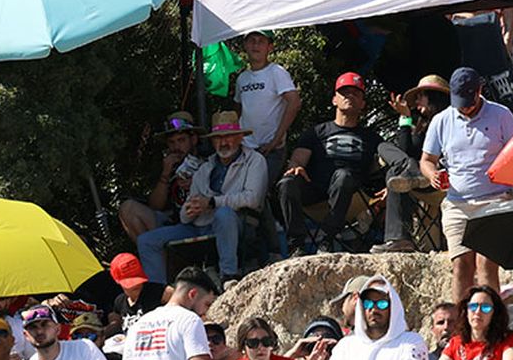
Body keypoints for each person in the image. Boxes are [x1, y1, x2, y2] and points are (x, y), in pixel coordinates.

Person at [421, 67, 513, 304]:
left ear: (479, 91)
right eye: (460, 103)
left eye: (468, 101)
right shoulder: (441, 120)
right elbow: (426, 160)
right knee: (461, 265)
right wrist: (433, 175)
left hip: (495, 199)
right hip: (457, 204)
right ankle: (459, 321)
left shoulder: (501, 115)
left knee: (486, 262)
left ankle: (491, 317)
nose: (464, 108)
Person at [137, 112, 267, 284]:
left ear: (239, 137)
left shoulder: (254, 160)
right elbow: (184, 216)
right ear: (212, 141)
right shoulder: (206, 167)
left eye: (228, 137)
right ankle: (158, 292)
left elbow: (253, 198)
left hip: (238, 223)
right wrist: (190, 210)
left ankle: (229, 276)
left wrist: (212, 202)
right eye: (218, 138)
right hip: (200, 225)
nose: (223, 142)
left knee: (224, 214)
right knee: (146, 241)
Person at [278, 72, 383, 255]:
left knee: (343, 175)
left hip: (351, 195)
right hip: (316, 190)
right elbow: (297, 159)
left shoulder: (371, 138)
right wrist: (296, 167)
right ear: (335, 100)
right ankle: (296, 245)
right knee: (287, 183)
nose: (350, 96)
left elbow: (387, 163)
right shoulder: (317, 132)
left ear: (362, 104)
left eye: (356, 93)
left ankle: (328, 239)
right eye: (344, 92)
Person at [373, 74, 450, 254]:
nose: (416, 101)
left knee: (396, 173)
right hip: (418, 178)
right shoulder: (422, 126)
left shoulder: (450, 120)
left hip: (440, 179)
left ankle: (399, 238)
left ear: (434, 96)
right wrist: (405, 118)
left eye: (421, 95)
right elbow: (405, 150)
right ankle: (400, 240)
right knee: (384, 150)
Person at [315, 278, 427, 360]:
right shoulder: (345, 346)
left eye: (382, 304)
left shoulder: (412, 342)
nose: (374, 309)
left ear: (393, 306)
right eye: (368, 303)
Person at [121, 267, 221, 360]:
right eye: (207, 304)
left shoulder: (138, 324)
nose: (205, 311)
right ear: (192, 294)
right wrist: (228, 359)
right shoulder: (190, 319)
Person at [417, 285, 513, 360]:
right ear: (466, 311)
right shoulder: (456, 343)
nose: (478, 312)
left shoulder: (507, 340)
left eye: (485, 308)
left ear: (494, 313)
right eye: (473, 307)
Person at [119, 113, 203, 245]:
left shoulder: (207, 162)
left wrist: (197, 183)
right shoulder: (166, 165)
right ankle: (156, 254)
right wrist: (165, 174)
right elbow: (156, 206)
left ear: (193, 140)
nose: (176, 147)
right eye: (172, 142)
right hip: (172, 223)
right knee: (128, 208)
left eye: (181, 140)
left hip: (201, 222)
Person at [234, 30, 301, 183]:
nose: (256, 45)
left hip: (269, 149)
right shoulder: (242, 78)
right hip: (245, 149)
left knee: (260, 190)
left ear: (270, 47)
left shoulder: (277, 72)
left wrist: (276, 140)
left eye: (261, 41)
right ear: (245, 45)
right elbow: (238, 108)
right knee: (243, 190)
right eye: (252, 40)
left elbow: (294, 102)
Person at [108, 254, 168, 337]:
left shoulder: (157, 291)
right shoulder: (119, 301)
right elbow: (114, 321)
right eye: (129, 282)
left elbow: (179, 297)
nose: (136, 285)